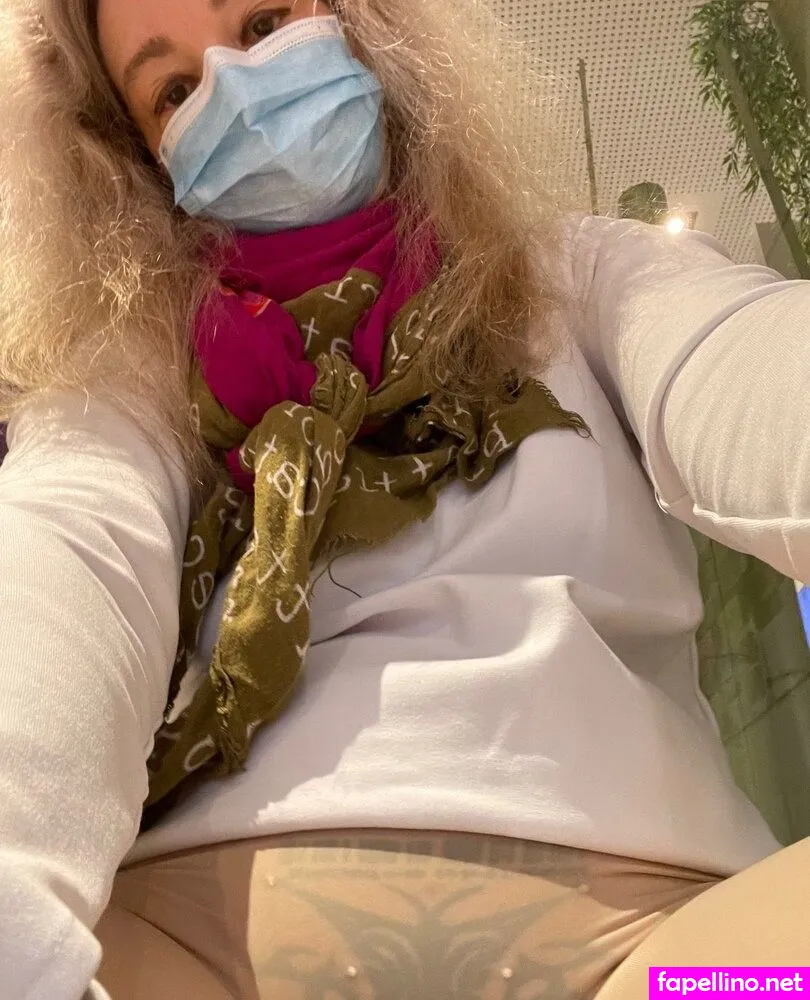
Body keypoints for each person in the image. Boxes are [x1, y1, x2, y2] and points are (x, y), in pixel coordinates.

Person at [0, 0, 809, 997]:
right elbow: (67, 560)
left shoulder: (579, 278)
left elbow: (746, 372)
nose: (237, 92)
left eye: (261, 23)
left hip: (672, 954)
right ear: (138, 160)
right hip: (189, 956)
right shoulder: (138, 385)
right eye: (174, 90)